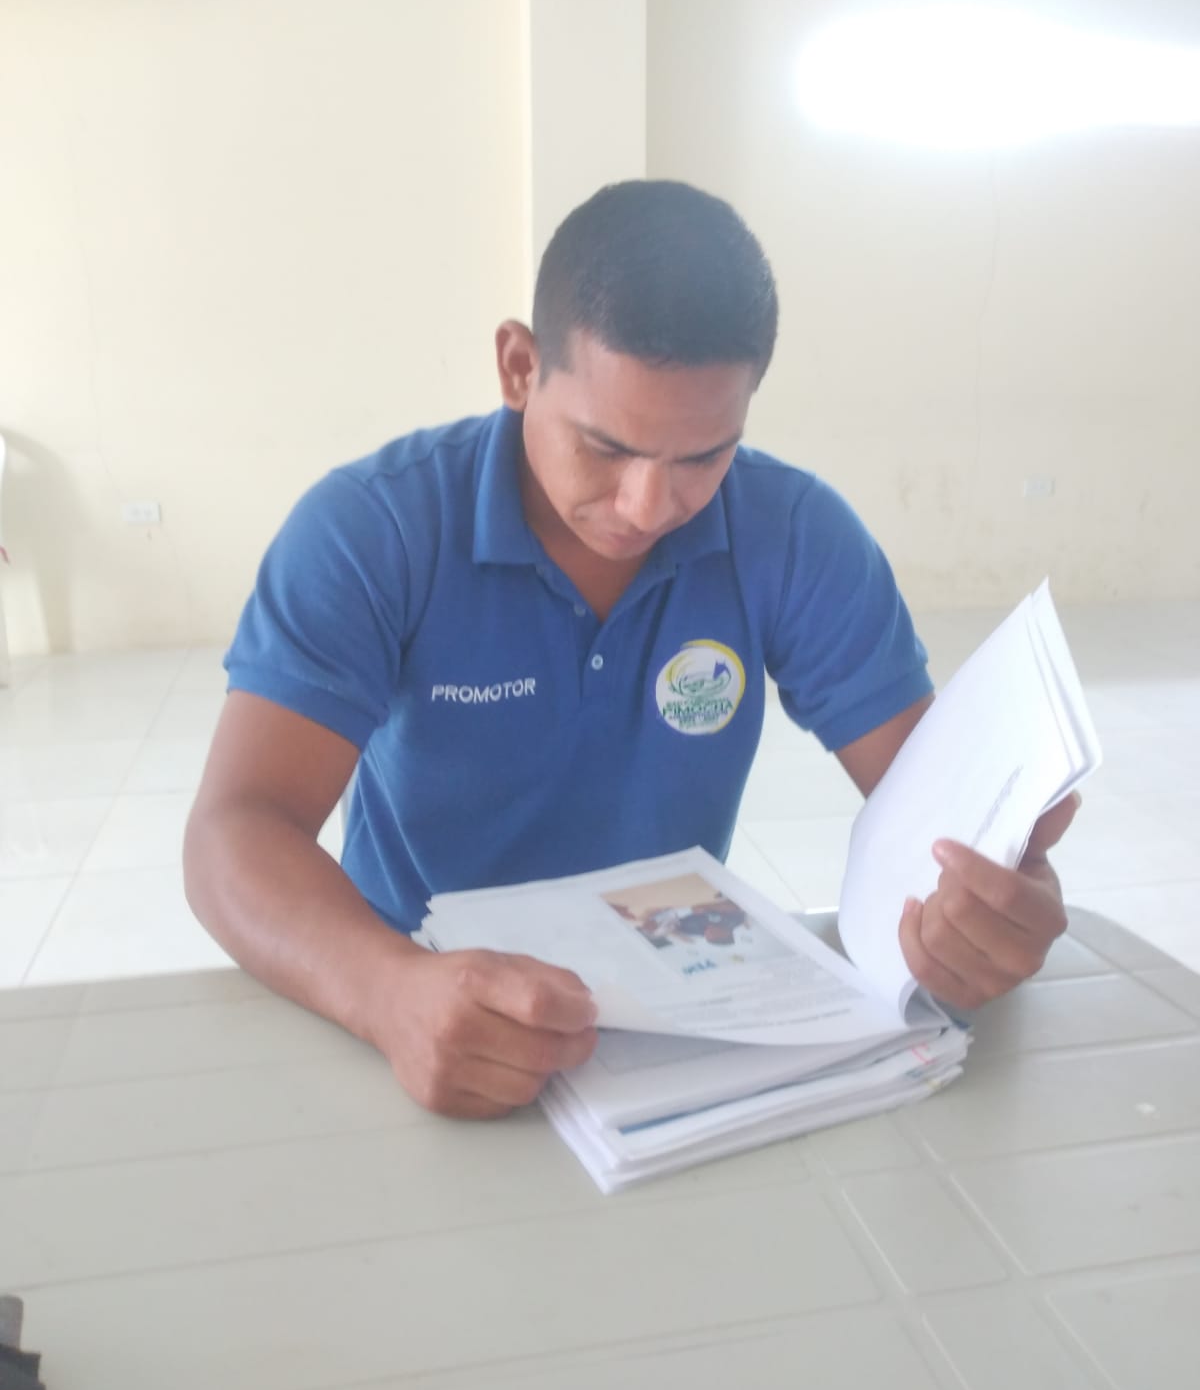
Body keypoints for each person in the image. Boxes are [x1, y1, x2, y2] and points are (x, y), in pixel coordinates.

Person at [183, 179, 1078, 1120]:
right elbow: (234, 829)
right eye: (605, 448)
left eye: (702, 457)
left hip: (675, 1018)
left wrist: (990, 904)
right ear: (519, 366)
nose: (648, 508)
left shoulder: (793, 535)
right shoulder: (374, 530)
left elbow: (939, 820)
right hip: (418, 1006)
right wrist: (388, 991)